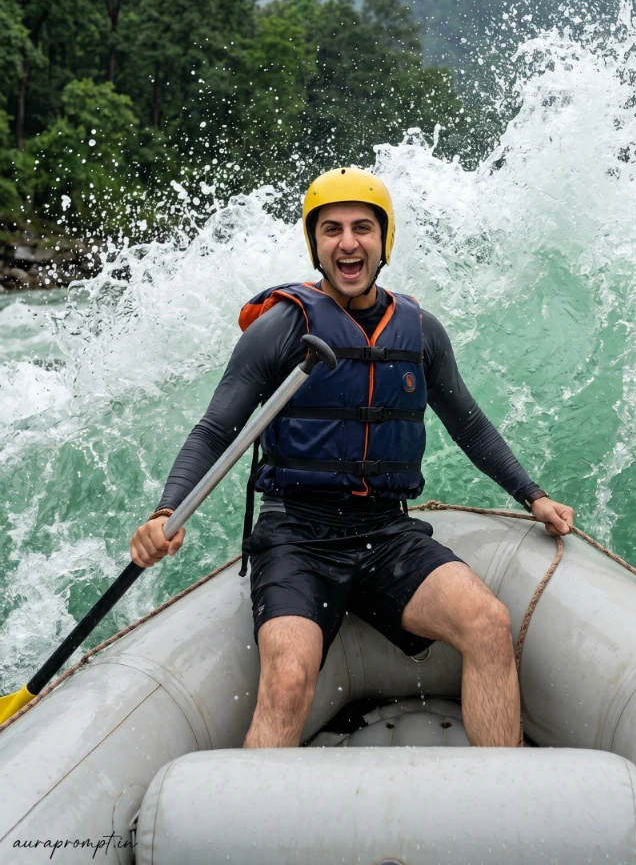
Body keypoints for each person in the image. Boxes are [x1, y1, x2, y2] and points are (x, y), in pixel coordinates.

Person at [129, 167, 575, 749]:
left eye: (363, 228)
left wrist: (533, 497)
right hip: (296, 536)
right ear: (314, 243)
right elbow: (216, 430)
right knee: (289, 678)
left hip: (387, 533)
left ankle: (502, 799)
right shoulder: (280, 329)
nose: (348, 242)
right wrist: (168, 511)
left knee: (487, 622)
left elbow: (469, 423)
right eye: (331, 229)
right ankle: (253, 825)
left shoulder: (420, 332)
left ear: (383, 241)